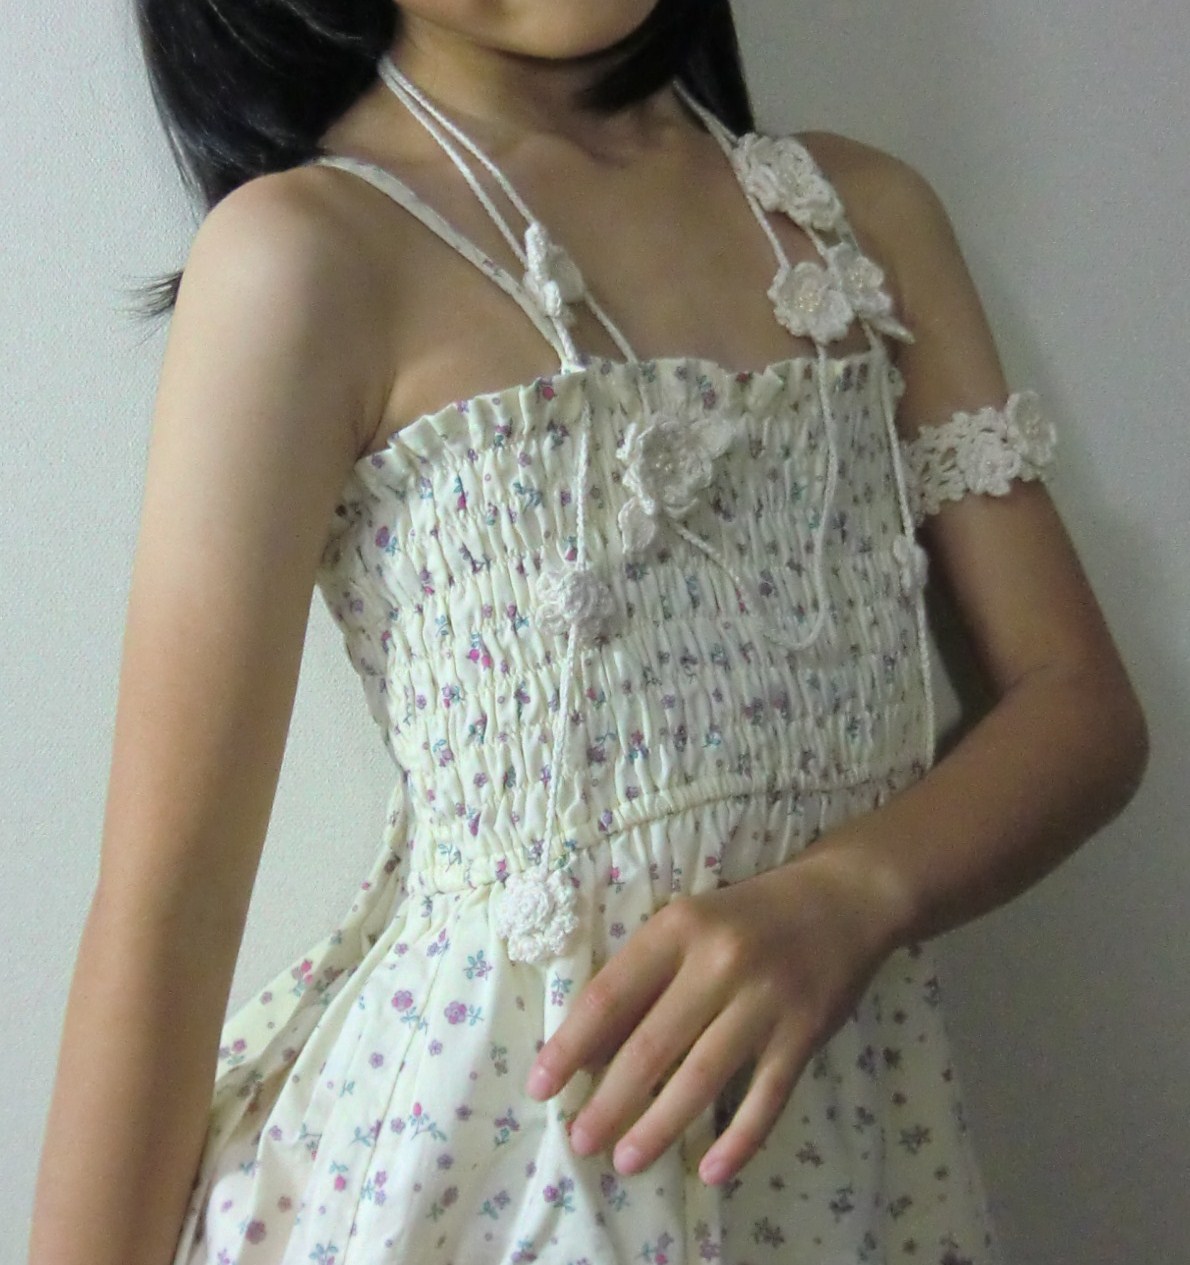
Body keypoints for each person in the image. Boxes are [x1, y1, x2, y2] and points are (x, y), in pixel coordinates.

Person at [28, 2, 1149, 1263]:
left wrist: (852, 892)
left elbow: (1074, 701)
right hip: (492, 1181)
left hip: (844, 1170)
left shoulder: (855, 221)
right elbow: (171, 908)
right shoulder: (307, 253)